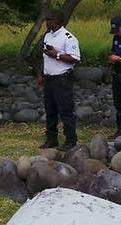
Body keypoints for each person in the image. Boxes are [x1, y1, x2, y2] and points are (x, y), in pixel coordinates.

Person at [38, 10, 81, 151]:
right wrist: (41, 74)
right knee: (50, 110)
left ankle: (70, 140)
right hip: (49, 78)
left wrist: (57, 55)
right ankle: (51, 139)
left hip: (62, 79)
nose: (46, 22)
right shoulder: (47, 35)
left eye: (49, 19)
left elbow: (75, 58)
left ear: (56, 20)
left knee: (65, 110)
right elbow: (44, 56)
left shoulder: (68, 37)